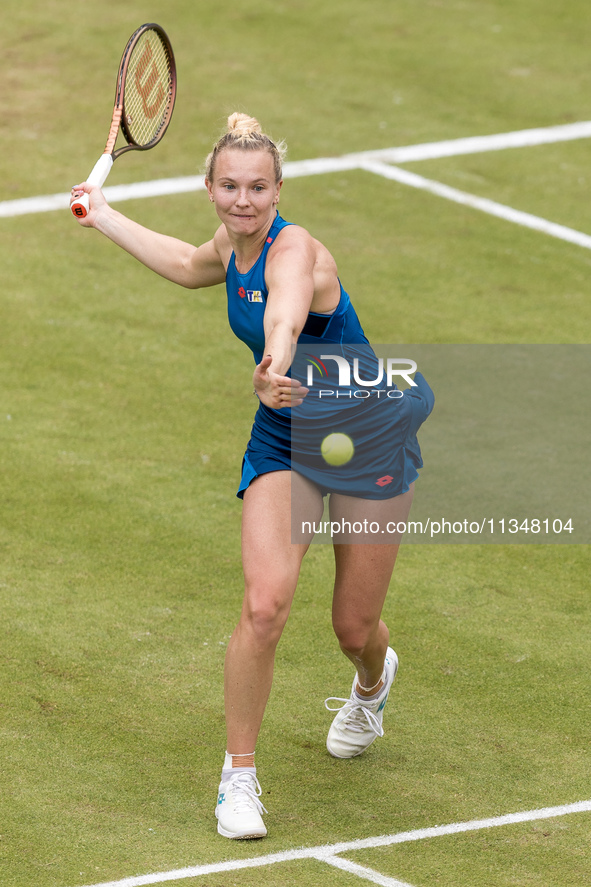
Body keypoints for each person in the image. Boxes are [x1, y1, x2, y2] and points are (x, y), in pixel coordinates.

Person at [71, 113, 434, 840]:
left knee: (352, 624)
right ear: (209, 189)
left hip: (364, 433)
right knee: (265, 604)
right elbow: (183, 264)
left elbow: (287, 312)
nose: (244, 200)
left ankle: (372, 680)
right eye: (231, 186)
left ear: (278, 191)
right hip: (285, 433)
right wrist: (105, 215)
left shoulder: (295, 250)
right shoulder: (227, 248)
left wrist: (272, 362)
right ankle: (238, 775)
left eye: (258, 188)